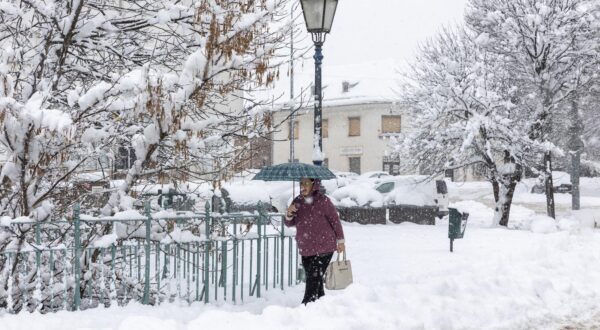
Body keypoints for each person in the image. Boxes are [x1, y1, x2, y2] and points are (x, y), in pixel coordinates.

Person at [285, 177, 346, 305]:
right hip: (306, 247)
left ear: (314, 185)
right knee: (315, 280)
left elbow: (335, 221)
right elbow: (289, 223)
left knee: (313, 278)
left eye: (306, 183)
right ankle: (321, 304)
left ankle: (306, 304)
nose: (303, 186)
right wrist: (289, 213)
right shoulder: (297, 201)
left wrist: (340, 241)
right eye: (301, 183)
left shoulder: (323, 201)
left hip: (324, 247)